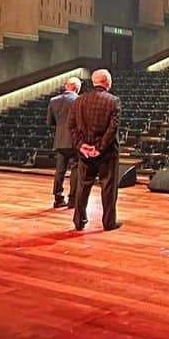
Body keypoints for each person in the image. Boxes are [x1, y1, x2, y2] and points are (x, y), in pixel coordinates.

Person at [68, 69, 121, 232]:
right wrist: (99, 148)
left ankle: (79, 221)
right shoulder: (113, 101)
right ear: (107, 82)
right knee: (108, 188)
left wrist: (81, 146)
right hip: (107, 154)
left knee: (82, 187)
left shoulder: (79, 100)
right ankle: (108, 223)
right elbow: (112, 129)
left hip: (84, 153)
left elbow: (71, 126)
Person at [47, 76, 81, 209]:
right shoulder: (79, 100)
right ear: (75, 87)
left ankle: (58, 198)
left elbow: (50, 122)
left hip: (60, 140)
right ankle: (72, 199)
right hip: (74, 140)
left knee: (59, 171)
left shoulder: (53, 100)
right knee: (75, 169)